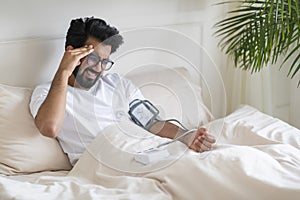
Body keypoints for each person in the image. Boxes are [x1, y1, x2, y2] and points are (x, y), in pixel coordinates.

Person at [30, 17, 216, 166]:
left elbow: (152, 123)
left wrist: (187, 136)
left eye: (104, 62)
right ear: (73, 54)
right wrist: (63, 72)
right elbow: (49, 127)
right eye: (93, 59)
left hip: (146, 152)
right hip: (104, 163)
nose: (98, 68)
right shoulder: (48, 92)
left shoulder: (117, 84)